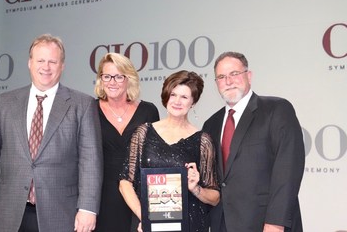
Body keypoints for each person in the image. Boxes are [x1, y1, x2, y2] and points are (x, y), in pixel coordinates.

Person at [0, 34, 103, 232]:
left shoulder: (82, 104)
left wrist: (87, 208)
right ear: (30, 63)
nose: (46, 67)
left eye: (52, 61)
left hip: (61, 213)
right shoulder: (4, 102)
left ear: (62, 65)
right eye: (40, 60)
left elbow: (90, 160)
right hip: (9, 212)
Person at [202, 51, 305, 232]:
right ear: (216, 83)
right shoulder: (211, 124)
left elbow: (288, 169)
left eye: (234, 74)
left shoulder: (276, 110)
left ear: (249, 76)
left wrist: (275, 222)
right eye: (221, 77)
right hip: (222, 224)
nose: (228, 81)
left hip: (265, 224)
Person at [119, 70, 220, 232]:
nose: (177, 101)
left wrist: (196, 188)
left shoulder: (203, 141)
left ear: (193, 102)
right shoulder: (143, 133)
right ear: (166, 96)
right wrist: (145, 218)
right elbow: (125, 183)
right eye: (173, 95)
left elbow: (215, 197)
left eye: (184, 97)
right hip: (147, 225)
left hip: (190, 225)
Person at [94, 52, 160, 232]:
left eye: (118, 76)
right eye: (107, 76)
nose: (112, 82)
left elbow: (154, 160)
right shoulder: (90, 111)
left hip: (137, 199)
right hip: (101, 199)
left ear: (128, 79)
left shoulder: (148, 111)